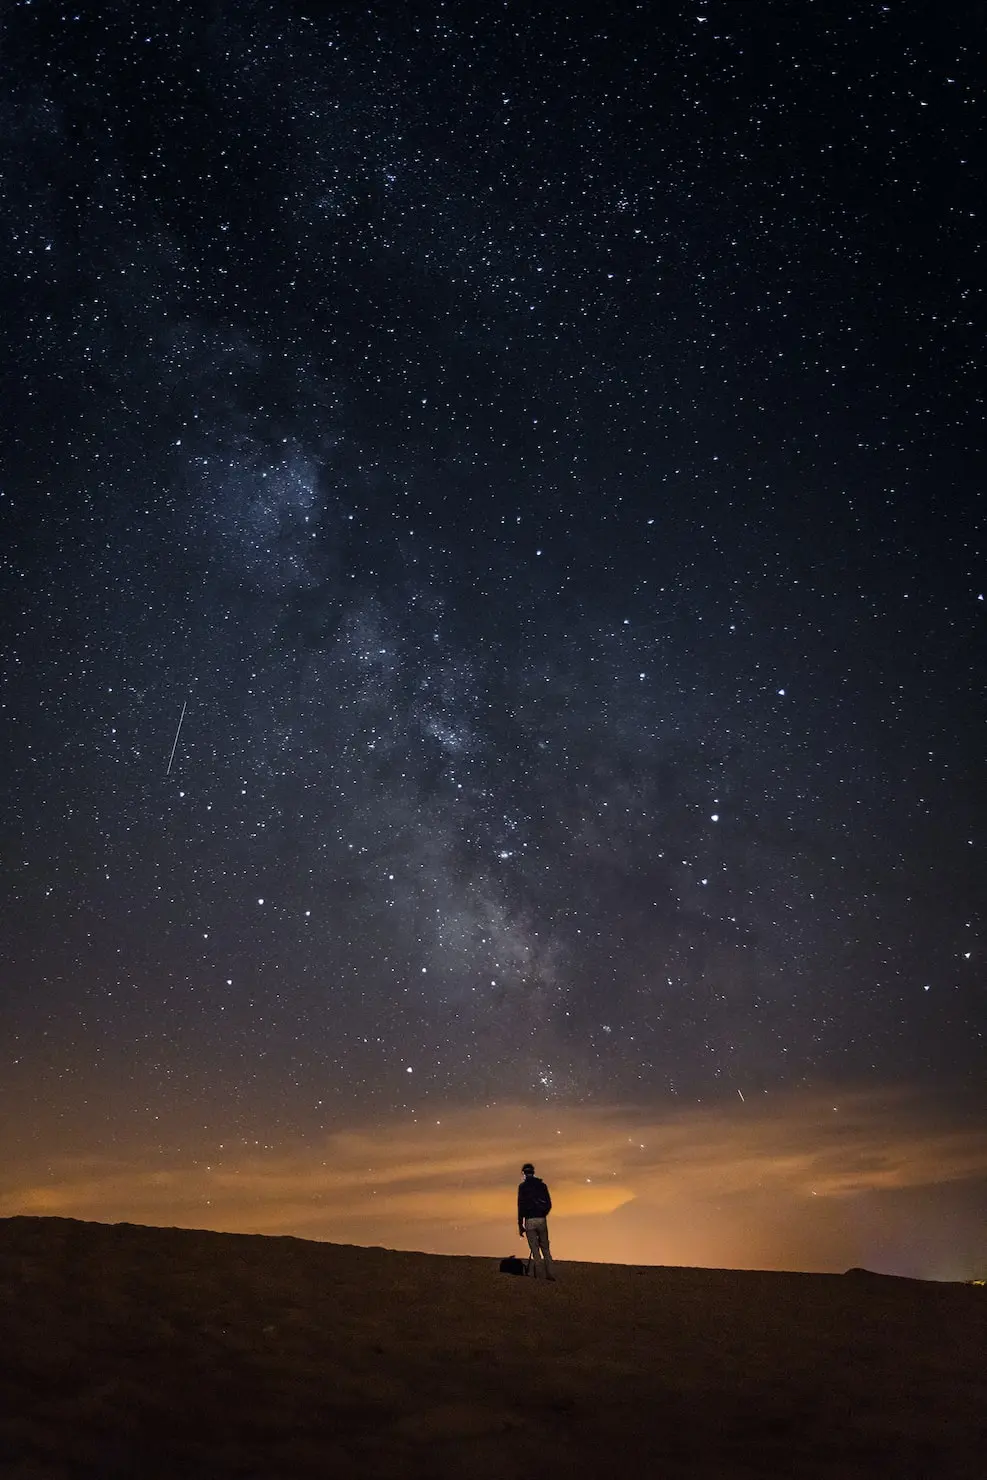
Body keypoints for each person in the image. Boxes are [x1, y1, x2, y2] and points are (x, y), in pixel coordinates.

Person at [517, 1162, 557, 1280]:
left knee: (535, 1250)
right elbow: (549, 1204)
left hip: (529, 1220)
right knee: (545, 1248)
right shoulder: (542, 1186)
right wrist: (543, 1214)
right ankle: (550, 1274)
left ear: (524, 1173)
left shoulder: (522, 1187)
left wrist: (520, 1225)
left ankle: (539, 1277)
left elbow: (520, 1207)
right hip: (541, 1220)